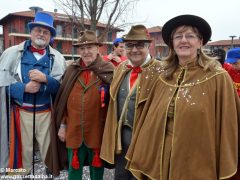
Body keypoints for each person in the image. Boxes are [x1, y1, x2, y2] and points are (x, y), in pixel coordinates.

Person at [125, 15, 240, 180]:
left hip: (198, 161)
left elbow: (229, 126)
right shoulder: (163, 77)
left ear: (200, 42)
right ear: (172, 43)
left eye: (190, 36)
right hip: (161, 159)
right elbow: (148, 121)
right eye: (178, 36)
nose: (183, 40)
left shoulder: (218, 77)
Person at [0, 11, 66, 174]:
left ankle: (50, 174)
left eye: (46, 32)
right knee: (22, 153)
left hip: (47, 114)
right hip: (20, 114)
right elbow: (2, 86)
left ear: (50, 35)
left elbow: (62, 89)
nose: (41, 34)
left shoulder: (58, 58)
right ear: (31, 32)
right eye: (38, 30)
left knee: (49, 152)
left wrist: (46, 80)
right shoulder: (11, 54)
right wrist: (23, 88)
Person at [100, 24, 164, 180]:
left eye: (139, 45)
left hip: (147, 142)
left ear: (148, 46)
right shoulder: (121, 68)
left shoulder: (162, 71)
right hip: (121, 140)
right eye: (129, 45)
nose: (134, 50)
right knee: (121, 176)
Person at [50, 30, 114, 179]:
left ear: (98, 48)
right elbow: (63, 101)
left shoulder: (109, 70)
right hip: (74, 131)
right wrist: (63, 125)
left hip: (98, 131)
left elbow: (116, 104)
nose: (86, 52)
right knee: (74, 173)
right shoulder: (72, 70)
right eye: (82, 48)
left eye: (90, 47)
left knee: (97, 172)